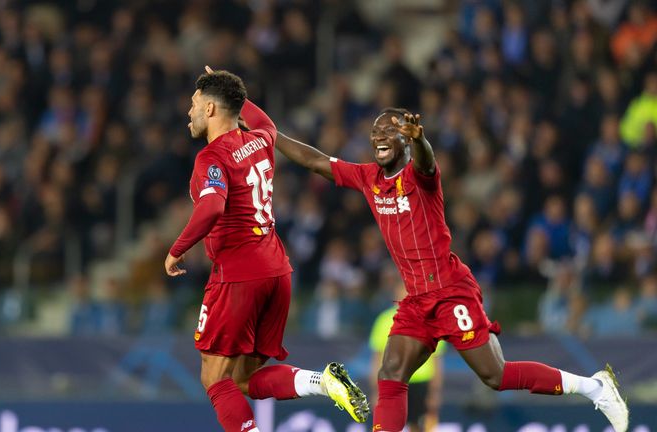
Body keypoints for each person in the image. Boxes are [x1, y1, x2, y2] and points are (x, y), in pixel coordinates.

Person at [275, 109, 629, 432]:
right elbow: (316, 161)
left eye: (389, 131)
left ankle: (594, 387)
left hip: (449, 291)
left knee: (496, 374)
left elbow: (427, 162)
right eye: (374, 131)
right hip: (416, 301)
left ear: (404, 141)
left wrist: (420, 139)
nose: (379, 136)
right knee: (391, 372)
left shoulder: (420, 176)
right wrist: (266, 133)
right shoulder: (369, 178)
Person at [164, 67, 369, 432]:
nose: (189, 112)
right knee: (243, 380)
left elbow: (211, 207)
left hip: (238, 275)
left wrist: (177, 249)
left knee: (214, 379)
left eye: (194, 103)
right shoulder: (262, 138)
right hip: (277, 271)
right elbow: (265, 121)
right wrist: (237, 94)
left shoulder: (210, 158)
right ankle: (324, 383)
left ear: (210, 109)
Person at [370, 281, 444, 432]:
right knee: (388, 426)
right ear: (395, 294)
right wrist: (376, 391)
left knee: (418, 426)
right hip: (392, 382)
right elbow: (377, 359)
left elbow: (437, 360)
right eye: (402, 291)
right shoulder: (383, 321)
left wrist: (434, 393)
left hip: (421, 382)